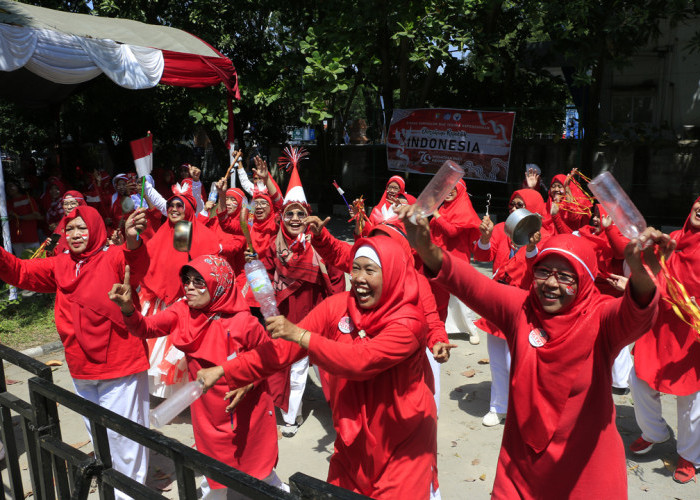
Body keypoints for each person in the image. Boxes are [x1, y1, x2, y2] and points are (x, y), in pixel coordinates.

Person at [397, 203, 673, 499]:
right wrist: (424, 245)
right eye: (544, 272)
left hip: (585, 470)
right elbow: (467, 281)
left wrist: (644, 275)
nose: (552, 284)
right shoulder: (522, 309)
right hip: (520, 468)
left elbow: (636, 312)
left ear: (585, 281)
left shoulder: (601, 317)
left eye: (566, 276)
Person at [197, 237, 439, 499]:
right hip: (353, 438)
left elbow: (360, 360)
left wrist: (302, 336)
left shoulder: (409, 322)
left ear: (393, 272)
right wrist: (226, 370)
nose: (359, 277)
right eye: (355, 268)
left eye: (370, 270)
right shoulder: (339, 306)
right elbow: (282, 351)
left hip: (401, 438)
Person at [0, 205, 151, 500]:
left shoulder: (113, 256)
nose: (76, 234)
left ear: (95, 229)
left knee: (126, 443)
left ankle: (129, 496)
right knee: (100, 437)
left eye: (82, 228)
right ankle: (113, 490)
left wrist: (132, 239)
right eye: (69, 229)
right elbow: (19, 271)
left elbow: (137, 261)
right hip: (81, 368)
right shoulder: (61, 264)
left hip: (120, 367)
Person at [109, 255, 287, 498]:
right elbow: (144, 328)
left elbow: (271, 358)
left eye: (198, 281)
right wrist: (128, 308)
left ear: (218, 285)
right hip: (208, 411)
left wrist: (250, 381)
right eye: (187, 280)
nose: (190, 287)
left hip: (247, 410)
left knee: (256, 469)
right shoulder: (182, 311)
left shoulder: (244, 322)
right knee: (214, 467)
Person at [253, 167, 345, 436]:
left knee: (322, 365)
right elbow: (264, 280)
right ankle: (292, 415)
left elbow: (337, 273)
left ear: (308, 217)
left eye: (300, 214)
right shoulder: (273, 246)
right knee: (291, 367)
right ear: (282, 217)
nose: (294, 218)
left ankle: (340, 412)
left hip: (316, 315)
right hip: (284, 317)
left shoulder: (320, 243)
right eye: (289, 213)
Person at [137, 184, 245, 398]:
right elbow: (153, 260)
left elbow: (190, 264)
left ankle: (181, 397)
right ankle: (164, 396)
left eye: (179, 205)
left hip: (186, 301)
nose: (174, 209)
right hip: (160, 301)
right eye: (170, 205)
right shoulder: (164, 231)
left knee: (179, 354)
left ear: (187, 210)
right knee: (157, 353)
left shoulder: (188, 231)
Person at [628, 195, 700, 484]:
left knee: (691, 401)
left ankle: (689, 456)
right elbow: (654, 272)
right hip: (660, 327)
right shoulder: (673, 239)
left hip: (691, 335)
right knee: (640, 379)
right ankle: (655, 432)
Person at [471, 188, 548, 427]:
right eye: (513, 204)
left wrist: (533, 248)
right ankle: (499, 406)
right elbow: (482, 256)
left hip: (525, 305)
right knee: (497, 360)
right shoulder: (500, 229)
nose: (514, 208)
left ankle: (525, 406)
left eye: (520, 204)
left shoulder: (542, 235)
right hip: (498, 302)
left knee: (521, 360)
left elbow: (542, 268)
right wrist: (484, 239)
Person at [429, 179, 482, 345]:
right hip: (439, 256)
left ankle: (472, 329)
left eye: (453, 188)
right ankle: (438, 328)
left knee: (461, 297)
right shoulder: (443, 207)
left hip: (457, 259)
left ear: (460, 190)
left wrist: (435, 214)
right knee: (438, 295)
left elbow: (452, 231)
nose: (449, 191)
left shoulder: (463, 207)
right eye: (446, 187)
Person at [6, 178, 42, 256]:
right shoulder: (7, 203)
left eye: (11, 186)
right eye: (7, 187)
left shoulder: (28, 198)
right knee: (21, 261)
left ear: (17, 186)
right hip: (16, 239)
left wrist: (19, 217)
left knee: (36, 259)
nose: (9, 189)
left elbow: (36, 215)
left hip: (30, 237)